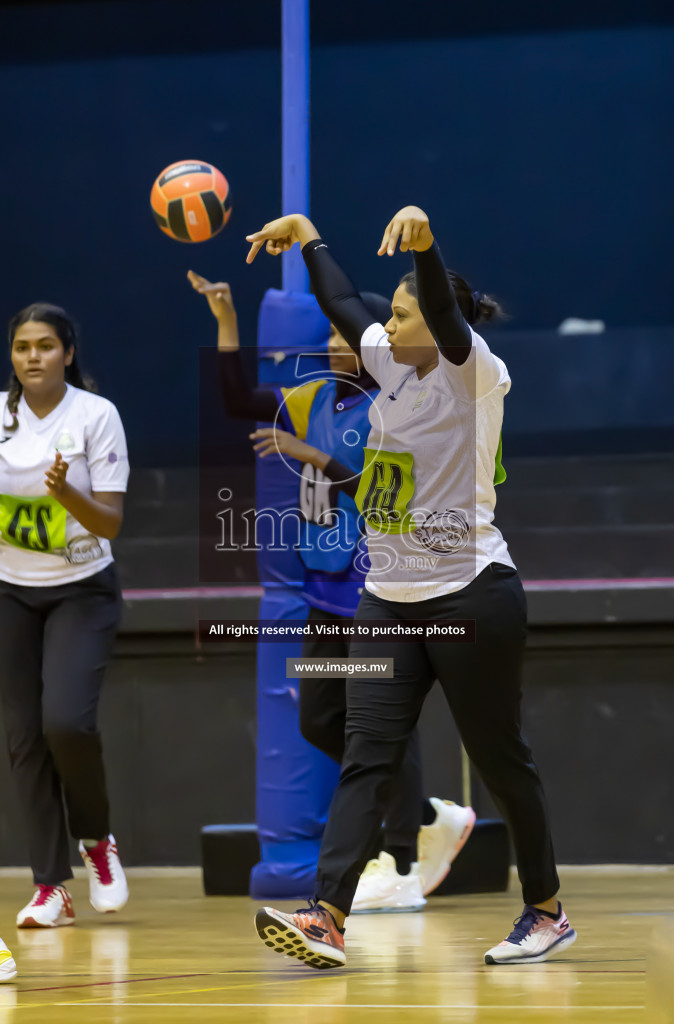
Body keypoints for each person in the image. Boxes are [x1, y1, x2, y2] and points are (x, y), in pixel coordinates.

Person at [245, 206, 577, 967]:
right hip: (388, 599)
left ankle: (547, 910)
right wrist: (306, 237)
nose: (383, 328)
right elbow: (342, 302)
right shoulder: (390, 357)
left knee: (501, 760)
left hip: (471, 596)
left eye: (401, 315)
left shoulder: (472, 370)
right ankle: (327, 916)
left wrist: (426, 248)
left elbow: (442, 319)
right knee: (366, 753)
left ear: (435, 318)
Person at [189, 272, 475, 911]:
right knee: (321, 717)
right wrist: (227, 319)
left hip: (378, 590)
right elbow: (237, 399)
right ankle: (429, 814)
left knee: (380, 722)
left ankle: (401, 861)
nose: (334, 346)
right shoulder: (313, 397)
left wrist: (312, 459)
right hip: (325, 595)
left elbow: (385, 492)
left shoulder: (399, 409)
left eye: (345, 335)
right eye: (328, 337)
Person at [0, 303, 129, 928]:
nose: (32, 357)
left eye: (45, 345)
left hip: (82, 589)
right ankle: (51, 886)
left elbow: (109, 524)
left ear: (68, 354)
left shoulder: (95, 417)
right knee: (23, 739)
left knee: (66, 725)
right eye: (22, 346)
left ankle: (98, 842)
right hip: (10, 593)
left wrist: (64, 492)